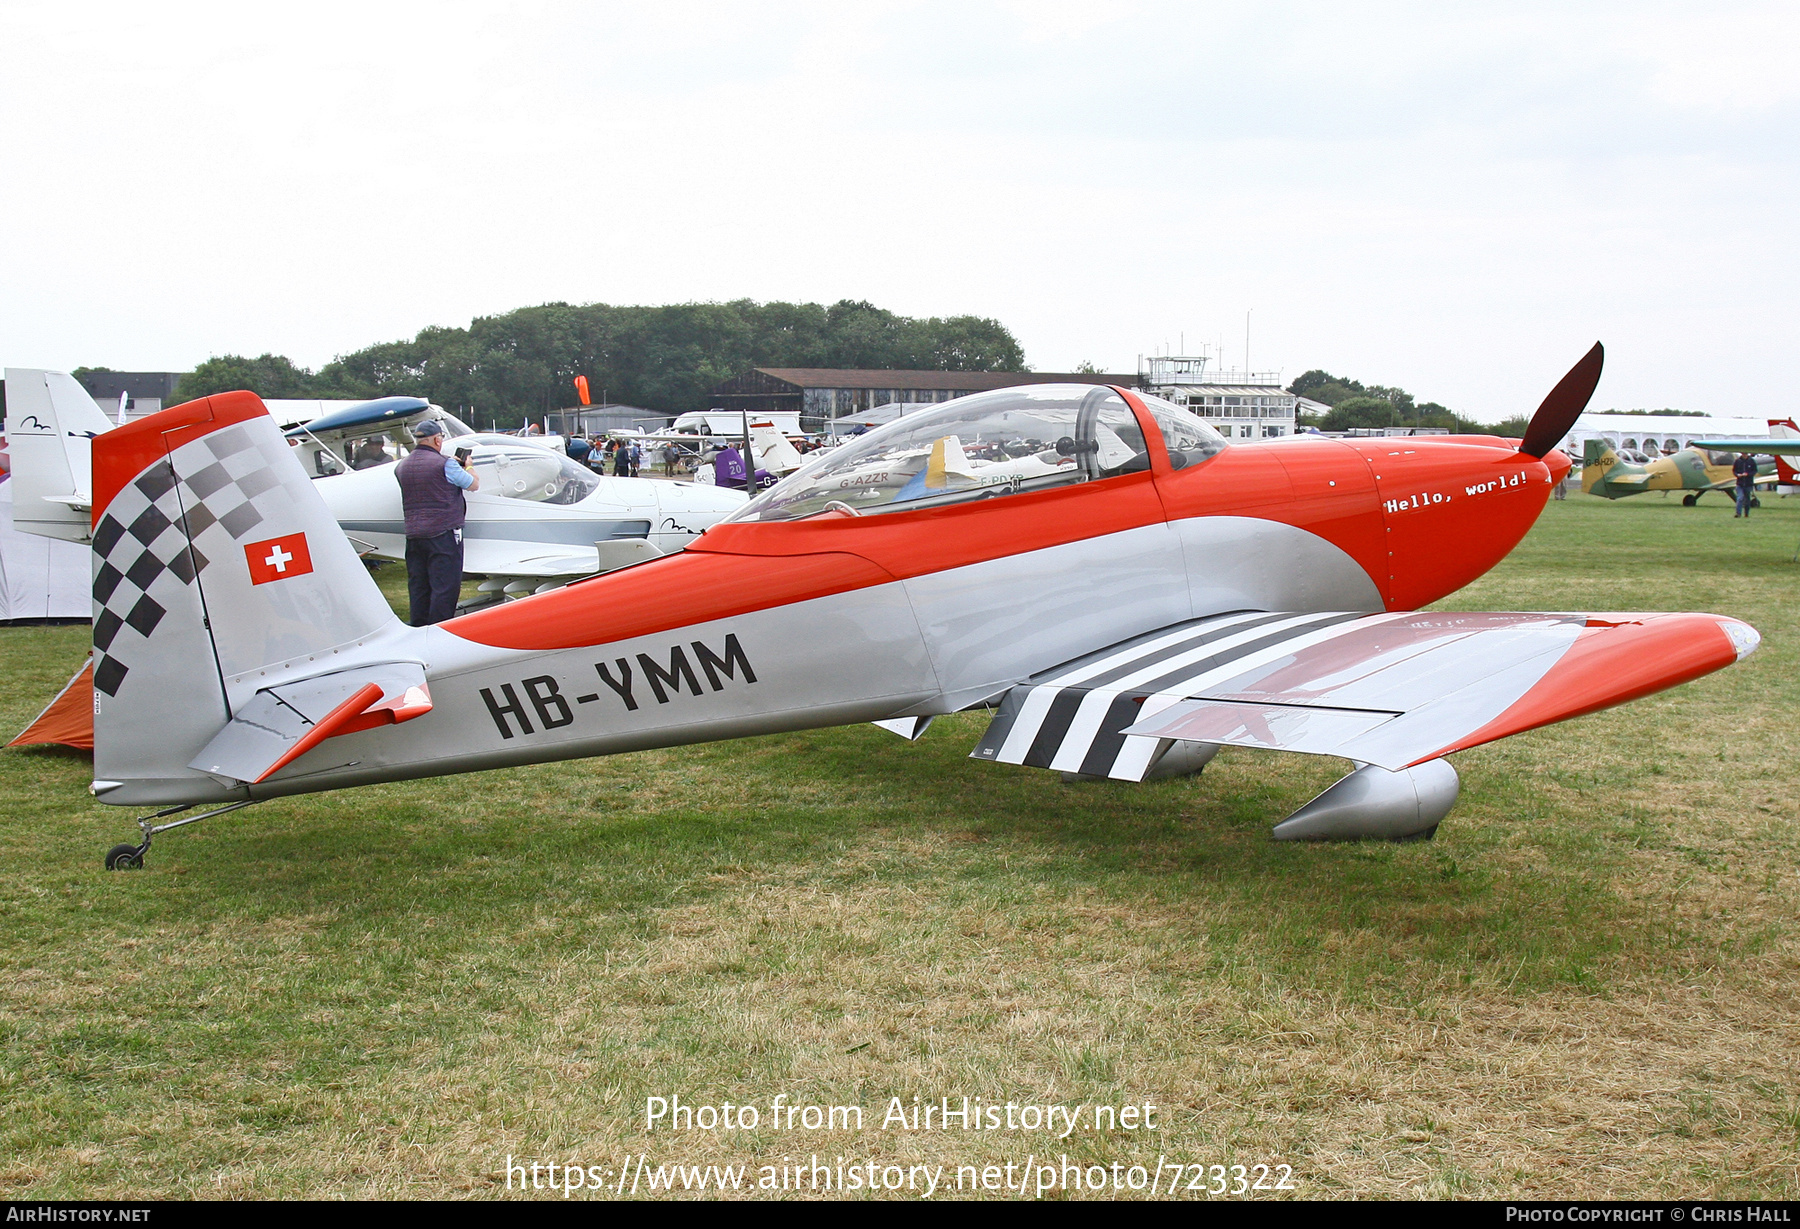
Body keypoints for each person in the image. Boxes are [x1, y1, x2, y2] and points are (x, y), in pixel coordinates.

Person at [397, 421, 479, 626]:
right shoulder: (446, 464)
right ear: (437, 439)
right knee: (445, 587)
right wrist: (468, 465)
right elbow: (473, 484)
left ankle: (418, 627)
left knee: (419, 586)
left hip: (414, 534)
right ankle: (440, 629)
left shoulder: (402, 466)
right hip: (443, 532)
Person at [1734, 452, 1758, 517]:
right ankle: (1738, 513)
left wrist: (1748, 474)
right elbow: (1734, 471)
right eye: (1743, 454)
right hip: (1740, 483)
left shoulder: (1751, 461)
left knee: (1747, 499)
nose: (1744, 455)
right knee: (1740, 498)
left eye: (1746, 454)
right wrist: (1737, 475)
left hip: (1748, 484)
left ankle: (1746, 513)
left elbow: (1754, 471)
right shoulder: (1738, 461)